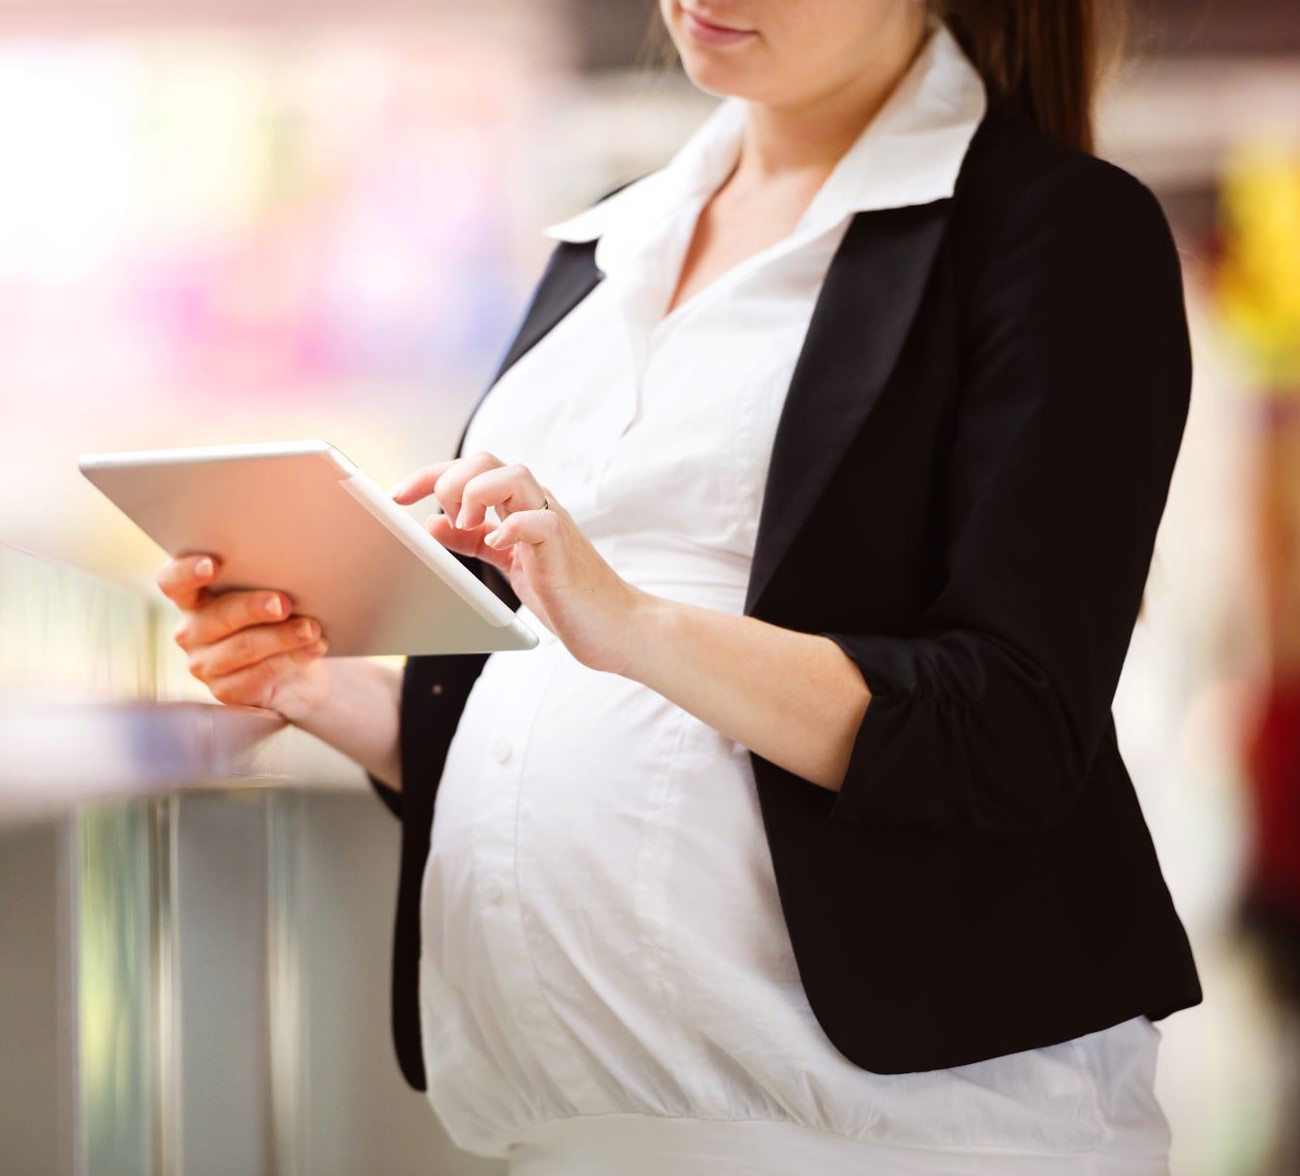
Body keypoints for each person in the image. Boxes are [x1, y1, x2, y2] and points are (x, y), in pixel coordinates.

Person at [156, 0, 1203, 1172]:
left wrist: (635, 625)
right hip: (569, 1128)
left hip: (904, 1134)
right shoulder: (604, 245)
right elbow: (552, 723)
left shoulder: (1057, 232)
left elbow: (1011, 723)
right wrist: (327, 693)